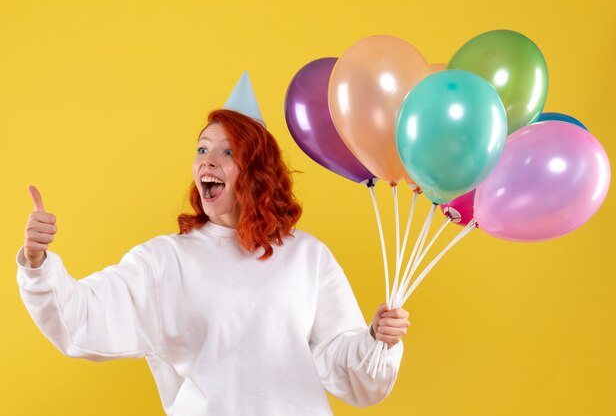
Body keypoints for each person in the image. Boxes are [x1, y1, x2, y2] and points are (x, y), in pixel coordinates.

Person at [16, 72, 410, 415]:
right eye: (202, 149)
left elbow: (347, 372)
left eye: (227, 152)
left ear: (257, 171)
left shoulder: (308, 257)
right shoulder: (165, 261)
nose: (207, 161)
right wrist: (38, 263)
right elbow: (82, 318)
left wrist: (375, 340)